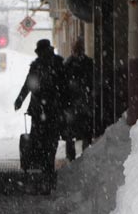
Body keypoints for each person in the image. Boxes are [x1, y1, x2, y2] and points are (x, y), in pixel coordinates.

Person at [14, 39, 66, 179]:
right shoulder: (58, 63)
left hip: (39, 109)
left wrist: (20, 100)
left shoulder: (37, 66)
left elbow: (28, 85)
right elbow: (65, 86)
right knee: (51, 138)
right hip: (52, 109)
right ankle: (47, 164)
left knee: (39, 137)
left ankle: (43, 163)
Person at [62, 37, 94, 160]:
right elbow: (93, 82)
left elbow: (62, 85)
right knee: (86, 130)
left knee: (70, 132)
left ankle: (71, 157)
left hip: (72, 103)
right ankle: (85, 155)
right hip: (84, 102)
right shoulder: (88, 63)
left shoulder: (67, 64)